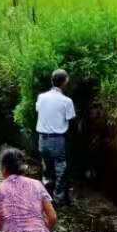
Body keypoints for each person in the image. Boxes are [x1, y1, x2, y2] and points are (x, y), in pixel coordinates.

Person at [36, 68, 76, 205]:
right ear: (64, 82)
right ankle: (58, 199)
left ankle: (45, 198)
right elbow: (71, 120)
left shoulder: (41, 97)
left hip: (42, 139)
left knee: (47, 169)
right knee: (61, 169)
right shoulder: (67, 101)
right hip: (57, 139)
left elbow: (39, 110)